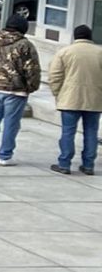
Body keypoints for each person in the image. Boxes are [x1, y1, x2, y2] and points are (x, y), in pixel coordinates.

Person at [0, 12, 41, 166]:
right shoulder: (24, 45)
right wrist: (31, 87)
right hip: (16, 90)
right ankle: (5, 156)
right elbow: (31, 69)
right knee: (11, 123)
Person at [47, 23, 102, 176]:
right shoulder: (99, 52)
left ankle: (64, 163)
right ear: (90, 37)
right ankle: (88, 165)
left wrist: (58, 94)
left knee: (68, 132)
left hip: (70, 99)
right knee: (91, 132)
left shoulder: (65, 52)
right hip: (94, 100)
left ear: (75, 37)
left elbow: (55, 76)